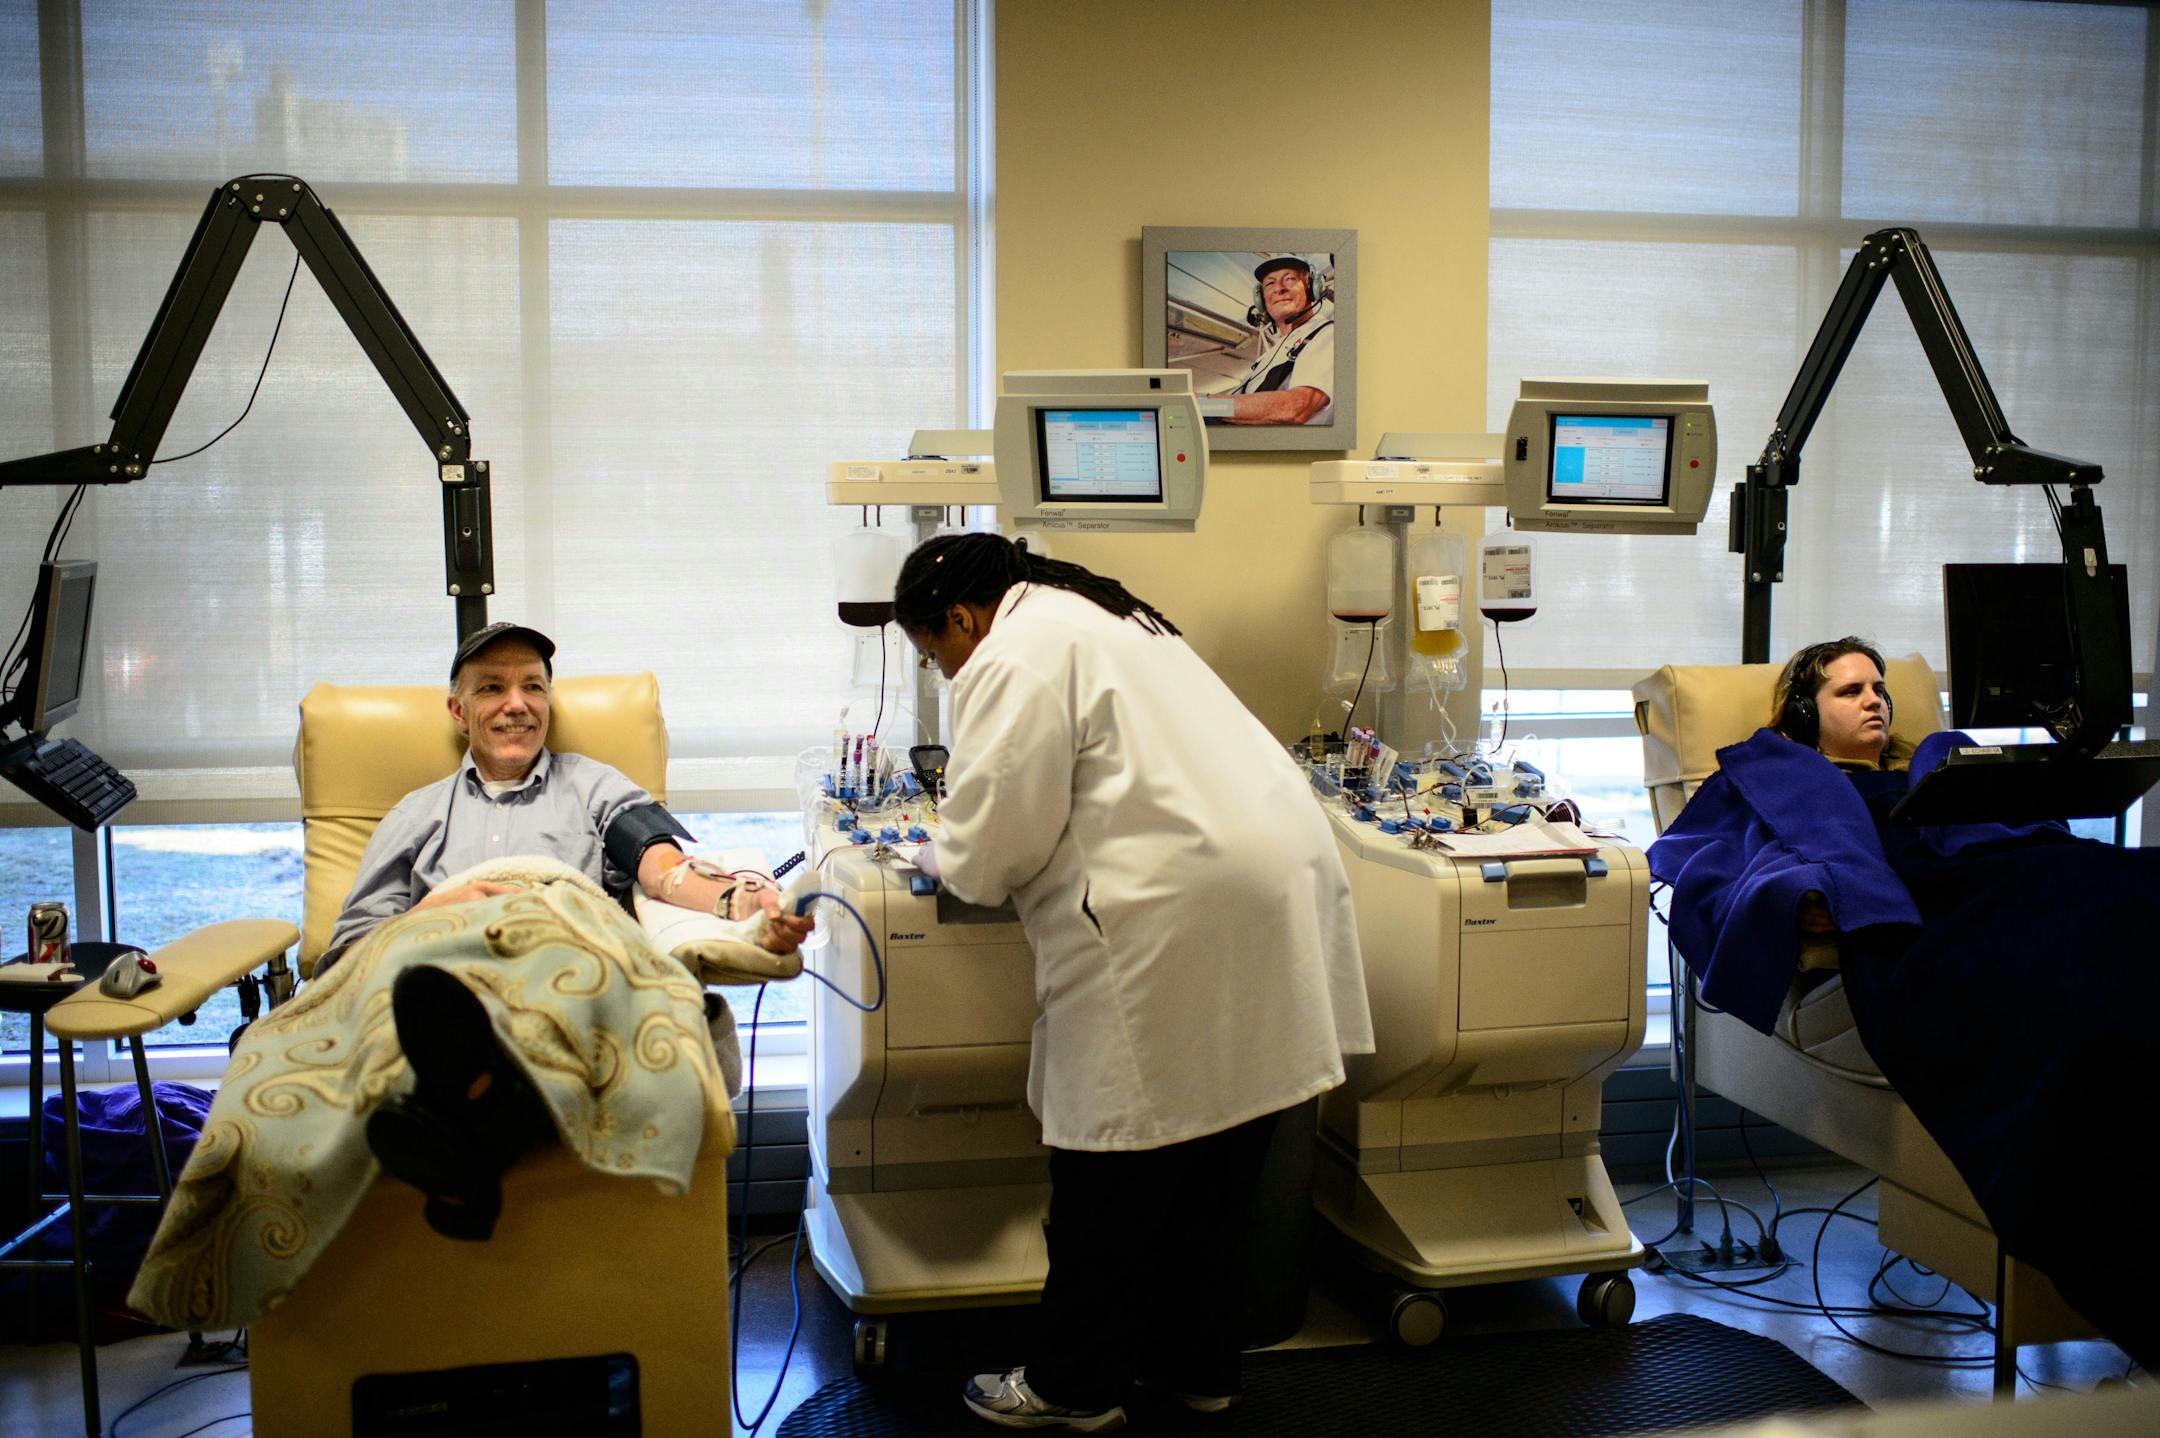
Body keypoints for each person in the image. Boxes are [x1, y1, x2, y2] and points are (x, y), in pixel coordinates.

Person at [895, 533, 1373, 1432]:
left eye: (935, 655)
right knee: (1219, 1156)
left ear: (959, 618)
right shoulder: (1112, 616)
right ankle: (1198, 1367)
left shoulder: (1014, 655)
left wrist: (934, 847)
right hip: (1269, 880)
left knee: (1107, 1170)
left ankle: (1073, 1387)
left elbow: (995, 846)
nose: (945, 673)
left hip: (1171, 910)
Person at [326, 621, 813, 1237]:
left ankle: (460, 1122)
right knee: (424, 998)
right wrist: (446, 912)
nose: (517, 704)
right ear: (457, 709)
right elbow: (351, 944)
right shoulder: (415, 814)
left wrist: (736, 900)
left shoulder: (593, 785)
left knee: (562, 995)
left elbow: (662, 869)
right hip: (453, 962)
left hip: (563, 952)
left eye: (533, 686)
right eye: (492, 688)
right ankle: (485, 1095)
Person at [1202, 253, 1335, 425]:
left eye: (1290, 279)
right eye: (1270, 283)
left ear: (1313, 288)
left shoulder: (1326, 334)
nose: (1279, 288)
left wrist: (1206, 405)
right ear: (1261, 300)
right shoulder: (1265, 359)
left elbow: (1296, 408)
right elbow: (1238, 408)